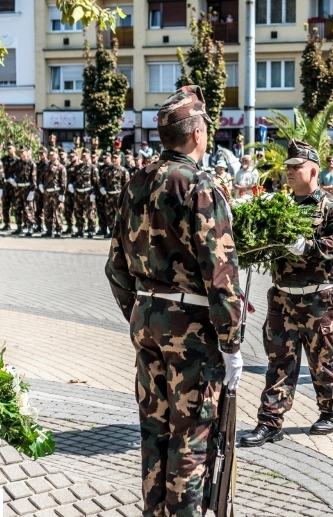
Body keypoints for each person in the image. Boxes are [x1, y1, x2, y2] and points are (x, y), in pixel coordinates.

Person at [104, 85, 243, 517]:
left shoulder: (137, 180)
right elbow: (221, 274)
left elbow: (115, 266)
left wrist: (142, 311)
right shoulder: (199, 185)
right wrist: (232, 342)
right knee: (191, 441)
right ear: (198, 133)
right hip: (193, 329)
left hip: (148, 321)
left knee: (155, 433)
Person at [241, 140, 333, 447]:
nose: (289, 172)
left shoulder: (332, 206)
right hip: (282, 298)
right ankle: (270, 421)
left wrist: (312, 247)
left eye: (296, 167)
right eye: (288, 167)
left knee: (322, 360)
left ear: (314, 171)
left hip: (319, 300)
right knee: (279, 361)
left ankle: (331, 410)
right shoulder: (282, 207)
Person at [100, 151, 130, 238]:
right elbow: (101, 181)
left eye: (116, 158)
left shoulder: (124, 171)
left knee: (120, 215)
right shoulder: (107, 170)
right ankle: (111, 231)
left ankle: (121, 232)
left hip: (119, 196)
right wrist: (102, 187)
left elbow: (127, 185)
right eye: (113, 158)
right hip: (108, 195)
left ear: (120, 159)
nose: (114, 159)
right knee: (109, 215)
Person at [70, 148, 99, 239]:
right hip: (78, 193)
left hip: (88, 193)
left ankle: (91, 230)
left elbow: (96, 182)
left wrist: (94, 194)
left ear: (89, 156)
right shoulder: (78, 167)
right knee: (78, 212)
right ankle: (80, 230)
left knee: (90, 213)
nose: (83, 157)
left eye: (85, 155)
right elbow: (73, 178)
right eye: (82, 156)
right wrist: (71, 185)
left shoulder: (92, 168)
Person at [39, 148, 67, 238]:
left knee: (57, 212)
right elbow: (41, 177)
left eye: (53, 154)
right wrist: (40, 184)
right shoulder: (46, 166)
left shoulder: (60, 167)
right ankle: (49, 229)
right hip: (47, 193)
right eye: (50, 155)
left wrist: (62, 193)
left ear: (56, 154)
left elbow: (63, 181)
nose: (51, 156)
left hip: (56, 193)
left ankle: (59, 230)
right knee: (47, 212)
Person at [11, 146, 37, 237]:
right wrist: (12, 179)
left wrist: (32, 191)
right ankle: (19, 227)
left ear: (27, 152)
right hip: (18, 189)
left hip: (27, 189)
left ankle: (30, 227)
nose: (21, 154)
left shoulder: (31, 164)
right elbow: (9, 171)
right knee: (18, 208)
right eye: (20, 152)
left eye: (23, 152)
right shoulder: (17, 163)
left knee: (28, 209)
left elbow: (33, 179)